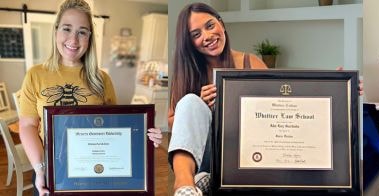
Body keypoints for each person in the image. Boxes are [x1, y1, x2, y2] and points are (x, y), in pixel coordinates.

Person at [14, 1, 161, 195]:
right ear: (56, 30)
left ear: (90, 38)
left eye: (82, 32)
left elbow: (114, 129)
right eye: (67, 29)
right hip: (50, 171)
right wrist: (41, 171)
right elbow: (27, 126)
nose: (73, 40)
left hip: (93, 171)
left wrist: (143, 134)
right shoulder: (35, 75)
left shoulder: (102, 79)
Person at [159, 2, 267, 195]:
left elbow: (275, 108)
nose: (207, 36)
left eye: (210, 26)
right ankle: (185, 187)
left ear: (221, 24)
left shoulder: (251, 62)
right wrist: (202, 110)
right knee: (190, 102)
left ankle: (207, 180)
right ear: (189, 43)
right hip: (206, 156)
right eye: (196, 34)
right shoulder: (186, 73)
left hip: (246, 152)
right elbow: (173, 122)